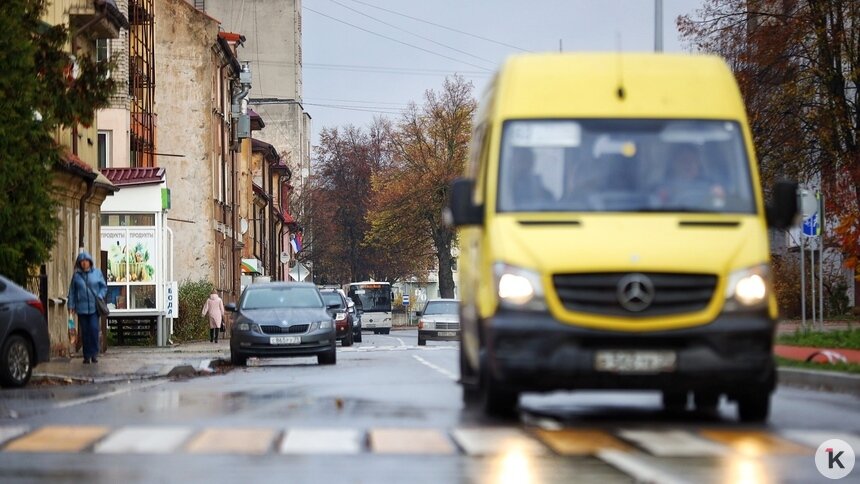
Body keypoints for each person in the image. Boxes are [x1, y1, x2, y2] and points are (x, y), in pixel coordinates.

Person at [67, 251, 107, 364]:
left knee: (94, 330)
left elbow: (103, 287)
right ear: (79, 263)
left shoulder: (97, 273)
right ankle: (86, 355)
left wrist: (99, 296)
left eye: (86, 261)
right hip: (81, 308)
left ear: (90, 262)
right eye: (82, 261)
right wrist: (71, 306)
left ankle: (94, 353)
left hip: (94, 307)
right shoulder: (76, 276)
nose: (84, 263)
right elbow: (72, 292)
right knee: (85, 332)